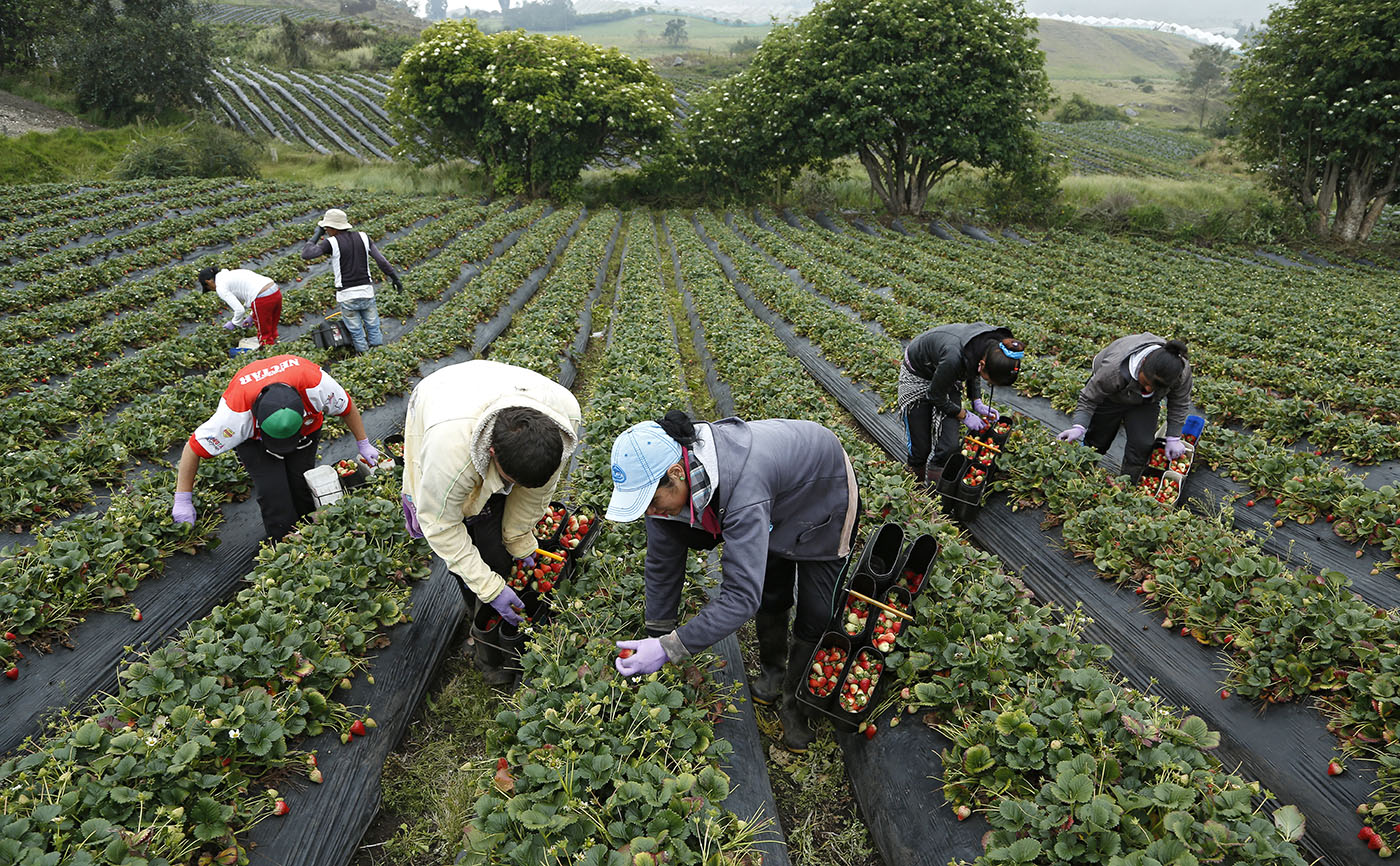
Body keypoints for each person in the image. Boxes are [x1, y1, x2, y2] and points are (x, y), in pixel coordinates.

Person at [606, 412, 859, 754]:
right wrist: (656, 635)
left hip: (821, 489)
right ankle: (773, 671)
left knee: (816, 610)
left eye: (651, 502)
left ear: (677, 475)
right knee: (771, 588)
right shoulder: (665, 491)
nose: (651, 512)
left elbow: (741, 598)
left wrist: (670, 648)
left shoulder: (744, 487)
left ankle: (797, 705)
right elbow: (662, 565)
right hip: (775, 497)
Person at [400, 360, 581, 685]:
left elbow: (538, 491)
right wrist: (489, 586)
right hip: (442, 400)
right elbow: (441, 526)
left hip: (494, 392)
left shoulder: (564, 420)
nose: (514, 488)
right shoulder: (450, 454)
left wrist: (519, 537)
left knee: (500, 543)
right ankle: (481, 620)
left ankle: (495, 594)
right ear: (492, 452)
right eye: (509, 479)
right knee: (476, 538)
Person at [172, 354, 377, 542]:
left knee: (302, 481)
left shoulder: (316, 386)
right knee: (273, 492)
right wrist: (182, 499)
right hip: (256, 443)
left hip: (305, 432)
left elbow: (347, 407)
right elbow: (193, 448)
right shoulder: (235, 416)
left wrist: (363, 443)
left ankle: (311, 530)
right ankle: (284, 542)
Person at [897, 323, 1025, 486]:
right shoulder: (954, 358)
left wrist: (976, 401)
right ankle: (916, 482)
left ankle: (937, 486)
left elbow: (973, 369)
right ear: (983, 365)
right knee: (920, 447)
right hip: (919, 373)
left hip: (946, 375)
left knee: (949, 445)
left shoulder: (988, 347)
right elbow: (934, 395)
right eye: (989, 380)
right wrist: (964, 415)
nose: (988, 382)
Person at [1056, 334, 1193, 480]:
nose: (1147, 388)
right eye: (1146, 381)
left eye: (1154, 387)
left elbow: (1180, 403)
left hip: (1145, 403)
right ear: (1142, 363)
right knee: (1098, 439)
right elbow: (1089, 397)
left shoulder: (1179, 372)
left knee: (1142, 444)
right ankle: (1082, 472)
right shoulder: (1113, 370)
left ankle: (1127, 483)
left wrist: (1173, 437)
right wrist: (1079, 426)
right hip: (1111, 397)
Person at [300, 208, 403, 353]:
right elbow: (381, 261)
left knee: (356, 331)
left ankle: (364, 357)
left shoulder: (331, 242)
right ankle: (379, 355)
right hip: (366, 292)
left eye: (327, 228)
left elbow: (306, 254)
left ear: (332, 228)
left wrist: (317, 234)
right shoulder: (363, 237)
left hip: (347, 295)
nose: (327, 231)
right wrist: (395, 278)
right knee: (373, 326)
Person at [198, 266, 281, 346]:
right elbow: (251, 292)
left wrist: (234, 323)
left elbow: (240, 310)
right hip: (275, 291)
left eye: (208, 288)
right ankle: (277, 348)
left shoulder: (221, 287)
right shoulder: (232, 274)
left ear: (208, 282)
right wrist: (252, 316)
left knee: (264, 335)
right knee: (272, 328)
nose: (212, 290)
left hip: (263, 297)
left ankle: (269, 354)